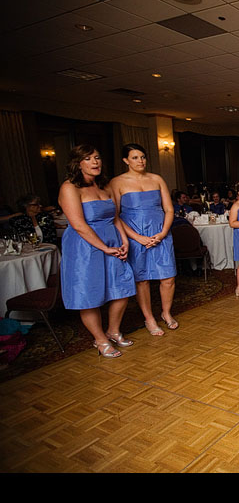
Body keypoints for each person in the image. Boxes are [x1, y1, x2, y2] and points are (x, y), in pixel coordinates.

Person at [59, 145, 136, 358]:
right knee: (89, 293)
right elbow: (79, 225)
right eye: (89, 158)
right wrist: (105, 248)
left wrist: (124, 241)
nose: (95, 162)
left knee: (122, 288)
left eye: (97, 157)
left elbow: (115, 217)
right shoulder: (69, 187)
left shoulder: (105, 186)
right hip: (84, 247)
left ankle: (113, 330)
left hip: (112, 241)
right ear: (78, 163)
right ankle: (100, 340)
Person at [111, 144, 178, 337]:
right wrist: (138, 237)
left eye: (142, 157)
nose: (140, 161)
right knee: (143, 279)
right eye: (135, 157)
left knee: (168, 277)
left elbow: (169, 209)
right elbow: (115, 216)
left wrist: (163, 232)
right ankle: (149, 318)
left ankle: (166, 312)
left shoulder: (156, 179)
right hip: (135, 235)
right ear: (126, 160)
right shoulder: (117, 182)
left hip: (160, 232)